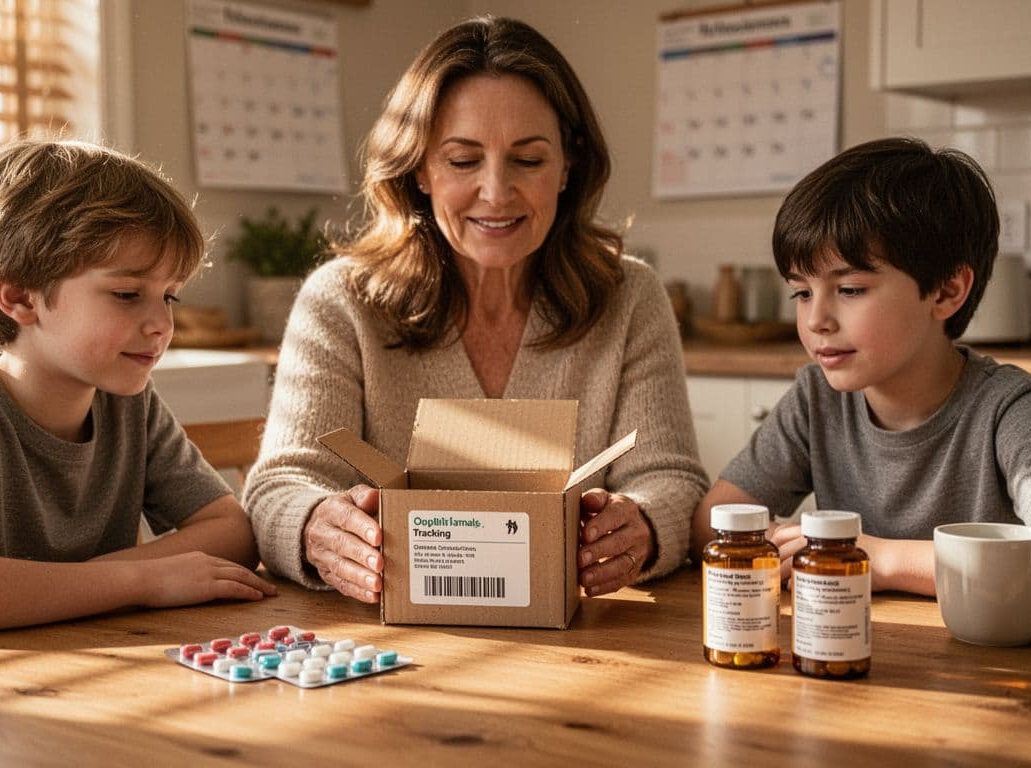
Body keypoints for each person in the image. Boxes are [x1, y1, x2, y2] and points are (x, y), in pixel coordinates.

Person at [244, 16, 708, 603]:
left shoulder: (629, 298)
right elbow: (282, 484)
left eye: (529, 160)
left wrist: (641, 523)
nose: (496, 191)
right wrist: (315, 526)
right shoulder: (341, 302)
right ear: (420, 169)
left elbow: (671, 478)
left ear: (568, 166)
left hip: (584, 640)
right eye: (464, 160)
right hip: (383, 645)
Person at [0, 139, 275, 642]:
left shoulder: (129, 406)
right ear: (20, 297)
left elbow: (232, 532)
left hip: (54, 661)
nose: (162, 323)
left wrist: (98, 584)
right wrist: (143, 579)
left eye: (168, 296)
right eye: (127, 295)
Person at [692, 137, 1031, 611]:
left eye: (851, 289)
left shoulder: (1012, 407)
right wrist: (774, 543)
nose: (816, 320)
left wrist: (883, 559)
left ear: (946, 290)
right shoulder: (816, 398)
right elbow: (709, 521)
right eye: (801, 293)